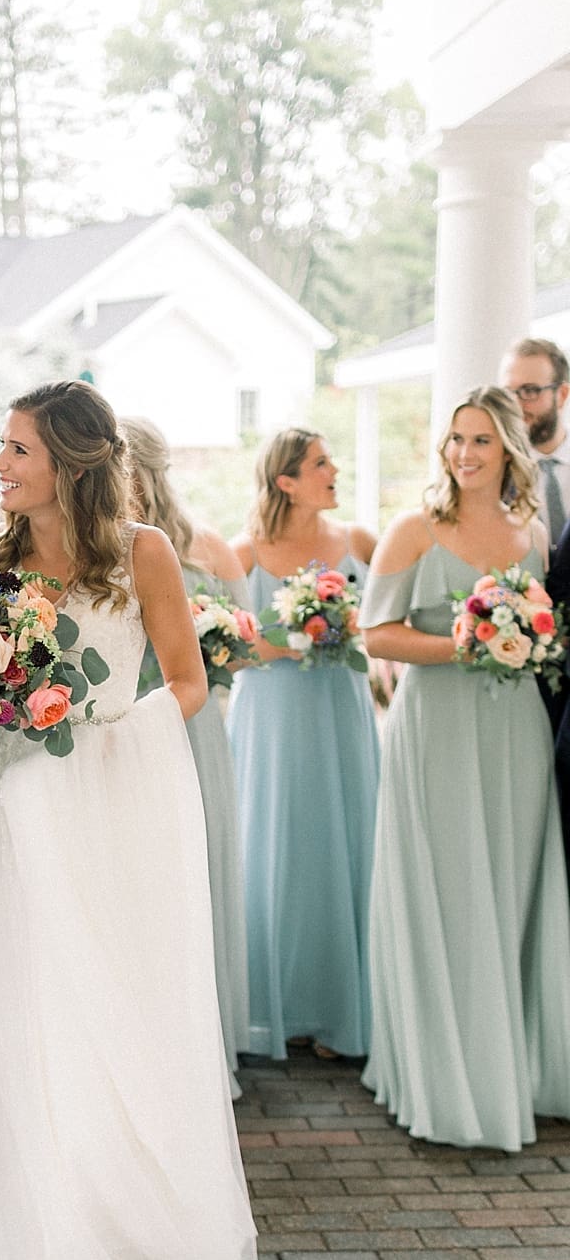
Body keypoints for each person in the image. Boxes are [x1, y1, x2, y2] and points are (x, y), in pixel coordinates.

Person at [0, 381, 256, 1260]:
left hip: (110, 805)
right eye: (0, 446)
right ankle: (44, 1255)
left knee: (112, 1013)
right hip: (12, 810)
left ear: (70, 459)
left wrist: (115, 735)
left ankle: (117, 1235)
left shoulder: (141, 551)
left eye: (18, 447)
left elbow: (186, 677)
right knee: (23, 1018)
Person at [360, 386, 570, 1150]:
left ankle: (504, 1064)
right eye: (456, 439)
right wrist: (464, 644)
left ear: (509, 448)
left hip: (515, 728)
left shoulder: (532, 532)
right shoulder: (416, 529)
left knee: (507, 889)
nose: (464, 454)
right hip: (437, 725)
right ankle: (440, 1073)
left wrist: (523, 641)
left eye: (481, 440)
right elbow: (374, 635)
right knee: (446, 889)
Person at [228, 429, 379, 1063]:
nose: (334, 469)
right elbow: (226, 645)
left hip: (338, 708)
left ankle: (344, 1012)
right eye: (321, 462)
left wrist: (344, 629)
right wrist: (296, 638)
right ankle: (276, 1008)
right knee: (277, 848)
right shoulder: (244, 552)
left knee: (344, 844)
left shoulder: (360, 542)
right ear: (286, 479)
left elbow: (381, 624)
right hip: (273, 717)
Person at [122, 417, 251, 1089]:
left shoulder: (208, 548)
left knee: (197, 869)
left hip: (191, 729)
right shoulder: (105, 546)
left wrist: (223, 645)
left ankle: (206, 1042)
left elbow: (243, 643)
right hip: (130, 729)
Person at [500, 337, 570, 542]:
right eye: (508, 393)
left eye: (530, 391)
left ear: (562, 394)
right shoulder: (492, 469)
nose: (516, 404)